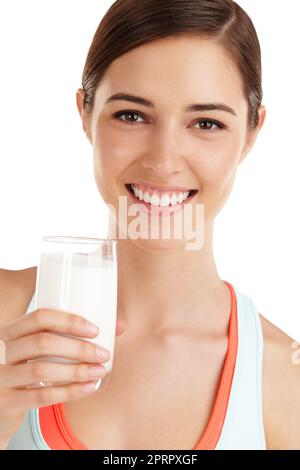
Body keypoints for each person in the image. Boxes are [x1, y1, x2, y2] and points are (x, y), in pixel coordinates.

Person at [0, 0, 300, 450]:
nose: (163, 160)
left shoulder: (283, 382)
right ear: (85, 112)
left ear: (252, 132)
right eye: (131, 115)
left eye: (206, 122)